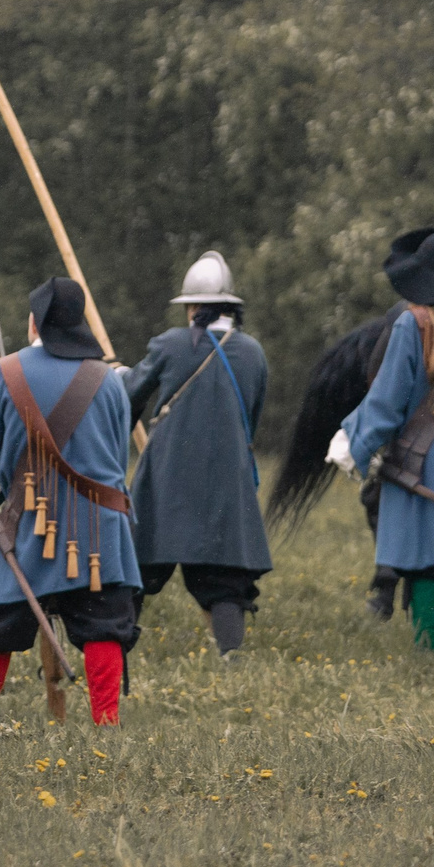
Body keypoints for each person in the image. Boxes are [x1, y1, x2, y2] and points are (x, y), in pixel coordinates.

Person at [0, 278, 140, 725]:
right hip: (99, 528)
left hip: (26, 521)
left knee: (0, 624)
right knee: (104, 622)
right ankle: (106, 721)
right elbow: (116, 458)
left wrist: (3, 495)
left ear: (34, 322)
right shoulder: (110, 380)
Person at [336, 231, 434, 656]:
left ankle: (428, 652)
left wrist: (356, 441)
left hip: (420, 465)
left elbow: (387, 401)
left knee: (427, 562)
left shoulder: (413, 323)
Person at [126, 250, 270, 656]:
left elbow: (127, 399)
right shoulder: (253, 352)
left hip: (167, 476)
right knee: (222, 579)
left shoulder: (170, 345)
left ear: (193, 307)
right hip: (228, 477)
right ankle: (231, 656)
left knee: (137, 567)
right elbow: (250, 419)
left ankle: (116, 651)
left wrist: (118, 376)